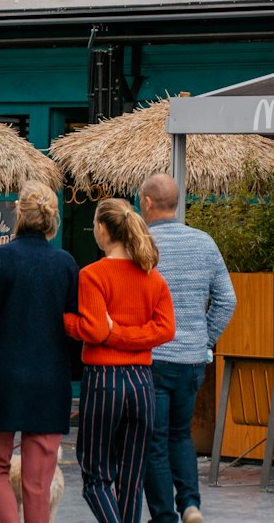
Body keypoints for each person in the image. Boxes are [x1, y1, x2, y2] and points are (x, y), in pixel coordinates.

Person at [0, 181, 79, 523]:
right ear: (52, 218)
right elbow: (74, 324)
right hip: (49, 379)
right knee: (38, 482)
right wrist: (71, 370)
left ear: (19, 213)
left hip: (3, 375)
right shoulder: (65, 264)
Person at [64, 197, 176, 523]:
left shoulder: (93, 275)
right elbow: (166, 329)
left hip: (104, 380)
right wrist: (128, 337)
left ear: (101, 229)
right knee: (131, 478)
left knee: (95, 476)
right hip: (142, 382)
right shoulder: (151, 276)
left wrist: (66, 322)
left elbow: (96, 331)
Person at [138, 173, 236, 523]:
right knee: (181, 435)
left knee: (155, 441)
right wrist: (204, 339)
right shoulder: (204, 242)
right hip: (192, 361)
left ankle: (165, 516)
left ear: (148, 202)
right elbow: (227, 300)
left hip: (153, 357)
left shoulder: (141, 243)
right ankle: (191, 504)